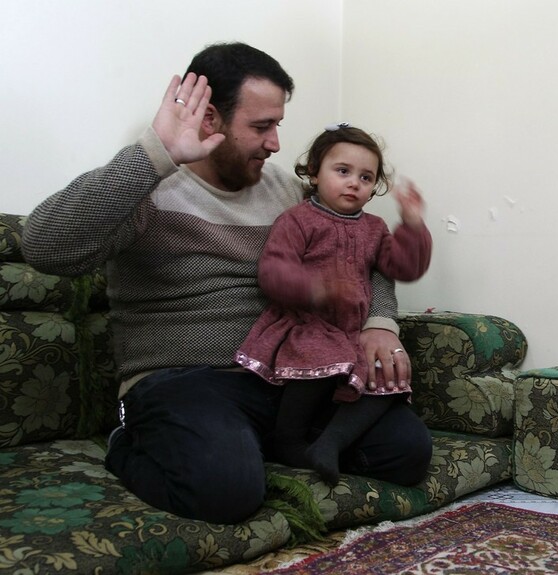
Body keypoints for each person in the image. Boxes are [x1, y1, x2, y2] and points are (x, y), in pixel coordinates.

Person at [20, 42, 433, 524]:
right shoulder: (151, 187)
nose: (275, 143)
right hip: (185, 380)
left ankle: (257, 446)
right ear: (210, 119)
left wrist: (379, 322)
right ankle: (132, 443)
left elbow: (363, 252)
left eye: (277, 125)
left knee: (406, 452)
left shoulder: (289, 193)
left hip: (288, 375)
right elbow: (43, 246)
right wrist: (155, 153)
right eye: (261, 127)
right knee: (225, 491)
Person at [235, 124, 432, 485]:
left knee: (385, 371)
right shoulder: (297, 220)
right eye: (342, 171)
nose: (354, 183)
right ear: (314, 172)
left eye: (366, 177)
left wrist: (413, 224)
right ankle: (288, 440)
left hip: (352, 334)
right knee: (320, 351)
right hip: (306, 326)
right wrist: (317, 288)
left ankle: (331, 442)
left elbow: (404, 267)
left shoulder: (374, 228)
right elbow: (272, 272)